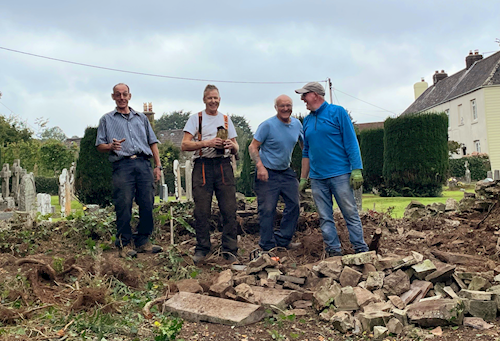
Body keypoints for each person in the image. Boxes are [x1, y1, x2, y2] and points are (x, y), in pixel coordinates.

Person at [295, 82, 368, 257]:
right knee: (325, 217)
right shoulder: (307, 120)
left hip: (340, 174)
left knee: (350, 213)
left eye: (305, 95)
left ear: (315, 94)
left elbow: (351, 141)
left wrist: (357, 168)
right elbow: (306, 151)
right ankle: (333, 251)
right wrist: (304, 178)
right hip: (318, 178)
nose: (302, 99)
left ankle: (361, 249)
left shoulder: (338, 112)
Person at [96, 83, 163, 258]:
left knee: (147, 202)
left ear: (130, 96)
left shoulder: (141, 118)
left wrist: (158, 166)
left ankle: (143, 241)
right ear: (113, 97)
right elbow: (99, 145)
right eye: (118, 95)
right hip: (122, 165)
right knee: (124, 204)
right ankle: (124, 243)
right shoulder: (107, 119)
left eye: (124, 94)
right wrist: (110, 146)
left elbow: (152, 143)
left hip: (143, 163)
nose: (121, 98)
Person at [181, 84, 239, 263]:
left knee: (229, 208)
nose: (213, 101)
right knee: (201, 210)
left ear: (219, 99)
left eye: (216, 98)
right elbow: (185, 145)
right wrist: (206, 143)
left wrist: (231, 146)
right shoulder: (196, 119)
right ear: (204, 100)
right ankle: (202, 248)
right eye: (209, 98)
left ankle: (230, 250)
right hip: (203, 166)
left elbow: (237, 147)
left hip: (223, 165)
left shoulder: (226, 120)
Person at [248, 95, 303, 251]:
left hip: (286, 172)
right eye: (281, 106)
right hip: (267, 172)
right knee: (267, 209)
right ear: (276, 108)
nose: (285, 109)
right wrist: (260, 166)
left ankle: (283, 240)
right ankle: (267, 246)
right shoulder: (267, 126)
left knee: (294, 205)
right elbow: (252, 147)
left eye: (288, 105)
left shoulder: (297, 124)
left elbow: (304, 145)